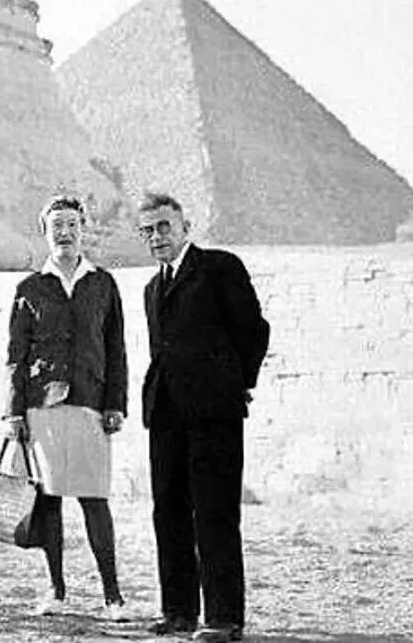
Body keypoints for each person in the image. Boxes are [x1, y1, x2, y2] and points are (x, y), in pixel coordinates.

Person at [138, 192, 271, 642]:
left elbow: (254, 330)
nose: (157, 237)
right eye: (148, 230)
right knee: (168, 511)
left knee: (215, 513)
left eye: (164, 226)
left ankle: (224, 619)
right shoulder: (152, 288)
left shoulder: (219, 268)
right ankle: (178, 612)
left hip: (214, 413)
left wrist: (237, 383)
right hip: (166, 413)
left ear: (185, 227)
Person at [4, 195, 130, 622]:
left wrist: (115, 404)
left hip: (91, 404)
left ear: (83, 229)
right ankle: (56, 589)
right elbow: (15, 357)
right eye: (56, 224)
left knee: (95, 499)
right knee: (50, 501)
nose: (65, 232)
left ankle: (112, 596)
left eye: (72, 224)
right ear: (44, 231)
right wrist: (14, 413)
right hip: (43, 407)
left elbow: (116, 349)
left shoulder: (103, 284)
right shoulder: (30, 288)